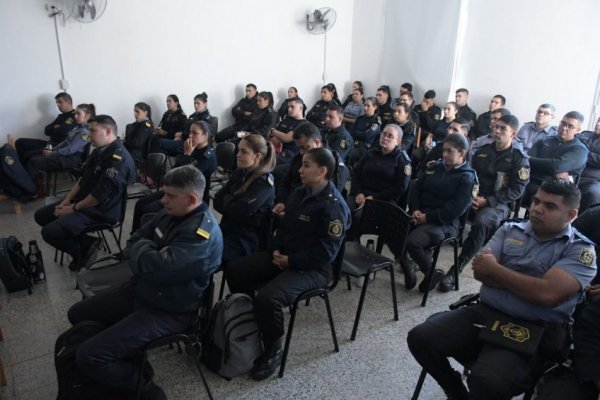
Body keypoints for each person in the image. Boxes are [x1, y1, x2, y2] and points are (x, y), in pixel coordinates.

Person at [407, 179, 597, 400]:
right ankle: (456, 391)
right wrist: (529, 284)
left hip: (532, 329)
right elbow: (480, 272)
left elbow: (547, 294)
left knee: (487, 381)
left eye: (550, 206)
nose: (537, 209)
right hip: (485, 312)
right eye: (536, 201)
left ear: (571, 215)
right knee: (420, 337)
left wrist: (496, 272)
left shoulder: (581, 251)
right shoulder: (510, 229)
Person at [67, 165, 223, 399]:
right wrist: (152, 249)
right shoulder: (172, 212)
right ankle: (126, 359)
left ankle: (146, 388)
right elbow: (135, 240)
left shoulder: (201, 235)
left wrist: (149, 252)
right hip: (143, 289)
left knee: (89, 356)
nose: (162, 200)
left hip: (169, 310)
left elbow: (155, 267)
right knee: (77, 314)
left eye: (170, 195)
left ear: (191, 199)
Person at [225, 147, 350, 381]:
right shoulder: (300, 193)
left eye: (306, 166)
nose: (299, 170)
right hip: (285, 256)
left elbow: (326, 254)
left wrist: (291, 260)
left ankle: (273, 347)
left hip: (313, 268)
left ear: (322, 171)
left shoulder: (333, 207)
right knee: (236, 269)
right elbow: (284, 229)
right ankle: (255, 319)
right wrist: (276, 249)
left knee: (268, 298)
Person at [438, 115, 530, 292]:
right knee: (442, 205)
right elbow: (468, 174)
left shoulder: (519, 159)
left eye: (502, 128)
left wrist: (488, 201)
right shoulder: (482, 150)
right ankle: (425, 256)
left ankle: (456, 268)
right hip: (472, 197)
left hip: (498, 203)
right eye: (496, 127)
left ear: (513, 133)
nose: (496, 131)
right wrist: (470, 196)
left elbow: (516, 190)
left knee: (482, 222)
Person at [34, 115, 136, 270]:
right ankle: (88, 243)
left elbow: (98, 197)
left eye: (93, 131)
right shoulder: (99, 151)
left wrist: (72, 209)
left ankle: (82, 250)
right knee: (41, 215)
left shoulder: (118, 158)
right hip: (85, 202)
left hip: (101, 211)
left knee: (49, 232)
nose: (89, 134)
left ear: (108, 131)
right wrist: (66, 200)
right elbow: (82, 180)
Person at [402, 134, 477, 292]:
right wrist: (415, 208)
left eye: (449, 151)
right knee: (392, 232)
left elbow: (455, 209)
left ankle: (431, 272)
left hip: (445, 223)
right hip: (421, 214)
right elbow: (416, 188)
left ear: (462, 153)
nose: (444, 155)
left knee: (412, 242)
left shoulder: (467, 177)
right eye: (444, 150)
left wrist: (427, 217)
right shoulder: (435, 167)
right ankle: (409, 266)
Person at [131, 120, 217, 233]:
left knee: (148, 209)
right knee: (140, 203)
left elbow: (185, 178)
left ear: (205, 136)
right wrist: (186, 155)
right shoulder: (193, 149)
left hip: (188, 196)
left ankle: (147, 238)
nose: (190, 135)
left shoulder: (208, 157)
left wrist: (186, 155)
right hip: (177, 188)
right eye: (190, 132)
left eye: (195, 133)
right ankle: (135, 237)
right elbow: (174, 171)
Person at [214, 134, 276, 263]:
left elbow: (240, 211)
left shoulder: (263, 183)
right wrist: (232, 203)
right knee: (198, 246)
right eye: (238, 150)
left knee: (207, 256)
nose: (237, 154)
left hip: (246, 239)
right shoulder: (240, 172)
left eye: (244, 151)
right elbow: (217, 200)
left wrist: (229, 200)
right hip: (228, 228)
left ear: (257, 156)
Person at [273, 122, 349, 217]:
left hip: (311, 213)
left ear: (317, 142)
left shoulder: (334, 164)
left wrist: (293, 213)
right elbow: (287, 181)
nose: (301, 152)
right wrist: (282, 201)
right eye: (299, 148)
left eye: (305, 147)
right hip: (292, 203)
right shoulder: (300, 156)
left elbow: (325, 199)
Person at [347, 124, 410, 238]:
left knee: (357, 218)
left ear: (398, 141)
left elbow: (400, 188)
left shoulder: (402, 161)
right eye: (384, 134)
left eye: (390, 136)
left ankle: (351, 247)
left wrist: (374, 198)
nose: (385, 138)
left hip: (383, 201)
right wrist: (359, 192)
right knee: (342, 211)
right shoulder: (371, 153)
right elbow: (356, 173)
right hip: (361, 195)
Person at [526, 111, 589, 203]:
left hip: (556, 190)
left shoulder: (580, 149)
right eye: (563, 123)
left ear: (578, 130)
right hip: (531, 181)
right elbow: (527, 160)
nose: (564, 128)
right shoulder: (544, 141)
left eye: (570, 126)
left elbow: (556, 166)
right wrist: (554, 171)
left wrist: (535, 162)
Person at [25, 103, 95, 179]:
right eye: (75, 113)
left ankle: (29, 189)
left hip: (71, 159)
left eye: (78, 114)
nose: (75, 116)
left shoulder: (85, 132)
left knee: (34, 161)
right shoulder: (78, 128)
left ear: (87, 116)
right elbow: (65, 142)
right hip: (65, 155)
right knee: (32, 155)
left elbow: (70, 149)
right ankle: (29, 184)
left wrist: (52, 153)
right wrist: (53, 150)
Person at [13, 92, 76, 164]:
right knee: (20, 142)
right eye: (57, 103)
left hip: (57, 147)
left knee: (28, 155)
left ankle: (24, 173)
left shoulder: (74, 116)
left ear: (69, 102)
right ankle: (20, 170)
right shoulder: (61, 116)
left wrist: (56, 128)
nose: (58, 105)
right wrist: (56, 127)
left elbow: (62, 132)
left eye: (60, 102)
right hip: (49, 144)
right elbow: (46, 131)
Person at [269, 97, 306, 166]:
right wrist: (275, 135)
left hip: (289, 153)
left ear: (301, 108)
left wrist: (273, 130)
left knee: (269, 164)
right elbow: (273, 135)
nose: (289, 109)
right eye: (288, 107)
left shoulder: (303, 124)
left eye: (292, 107)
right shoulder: (286, 120)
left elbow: (286, 138)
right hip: (274, 147)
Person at [576, 116, 600, 212]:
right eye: (598, 120)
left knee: (593, 194)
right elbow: (571, 147)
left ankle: (579, 225)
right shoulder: (584, 134)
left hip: (593, 180)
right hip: (573, 174)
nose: (598, 124)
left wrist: (581, 152)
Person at [348, 96, 381, 165]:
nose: (365, 108)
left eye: (368, 106)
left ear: (375, 107)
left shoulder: (376, 121)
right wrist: (361, 133)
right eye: (364, 105)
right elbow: (350, 132)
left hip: (366, 148)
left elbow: (367, 136)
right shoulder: (360, 118)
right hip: (354, 144)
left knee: (351, 155)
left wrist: (356, 132)